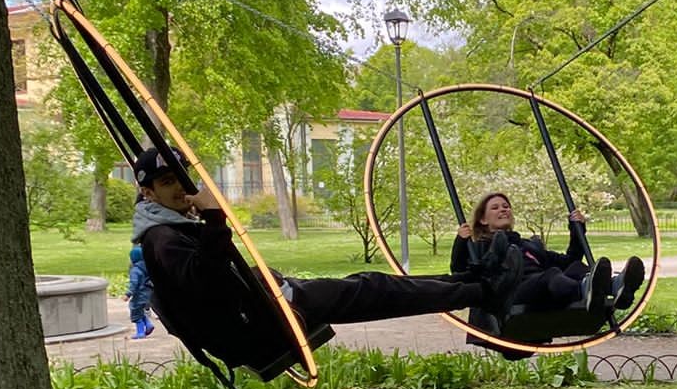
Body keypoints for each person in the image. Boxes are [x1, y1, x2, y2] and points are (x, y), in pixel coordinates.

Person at [131, 146, 527, 375]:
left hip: (271, 303)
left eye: (181, 177)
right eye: (167, 182)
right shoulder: (161, 238)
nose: (180, 188)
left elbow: (213, 279)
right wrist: (215, 219)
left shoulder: (170, 227)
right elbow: (206, 281)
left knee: (378, 285)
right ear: (148, 193)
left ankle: (477, 280)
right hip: (269, 322)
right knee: (377, 289)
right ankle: (484, 290)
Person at [451, 191, 645, 323]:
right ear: (483, 219)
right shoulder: (480, 247)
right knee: (551, 274)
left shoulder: (528, 245)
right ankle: (585, 290)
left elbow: (570, 260)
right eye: (495, 208)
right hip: (511, 294)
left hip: (544, 289)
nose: (503, 209)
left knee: (576, 267)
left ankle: (616, 287)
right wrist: (461, 241)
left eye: (506, 206)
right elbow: (460, 271)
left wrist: (576, 230)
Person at [127, 240, 155, 340]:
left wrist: (128, 294)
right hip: (148, 294)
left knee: (135, 311)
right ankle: (148, 324)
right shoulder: (148, 267)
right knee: (140, 311)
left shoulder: (135, 270)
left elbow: (134, 283)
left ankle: (140, 332)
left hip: (139, 294)